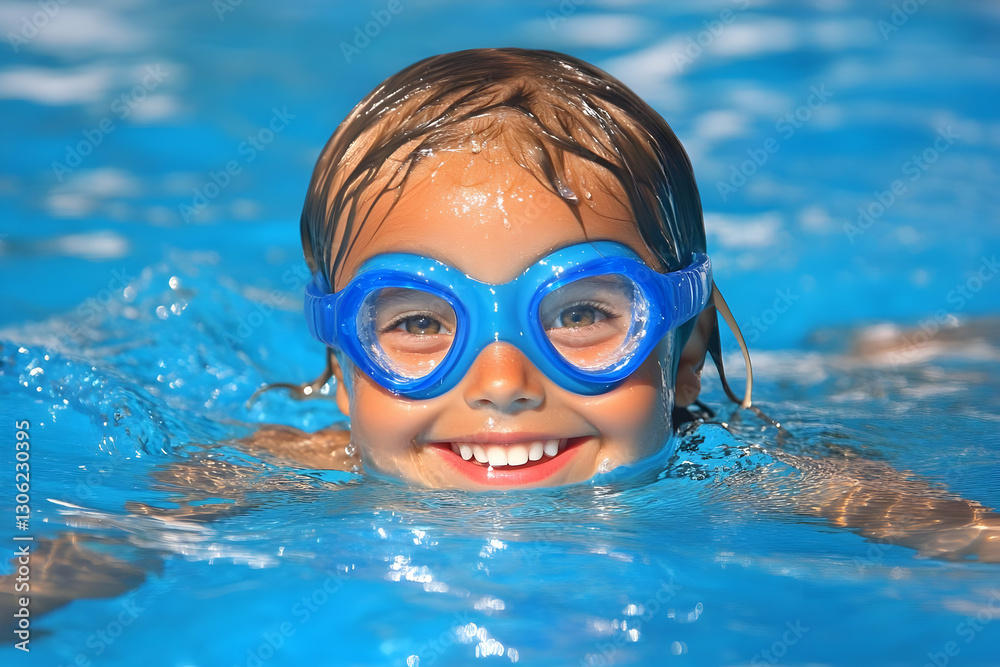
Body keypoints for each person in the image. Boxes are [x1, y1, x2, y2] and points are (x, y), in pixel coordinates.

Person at [268, 46, 753, 489]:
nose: (502, 386)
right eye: (420, 323)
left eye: (579, 315)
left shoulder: (758, 493)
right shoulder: (283, 483)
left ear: (686, 351)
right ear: (345, 367)